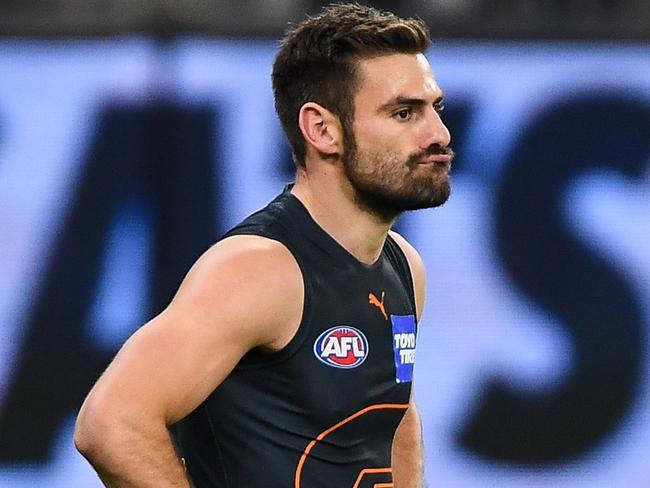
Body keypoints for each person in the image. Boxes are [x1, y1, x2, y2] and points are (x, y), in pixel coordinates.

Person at [74, 3, 453, 487]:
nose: (438, 135)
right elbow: (110, 423)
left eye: (434, 108)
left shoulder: (403, 266)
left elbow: (394, 420)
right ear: (322, 130)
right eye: (404, 113)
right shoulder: (259, 269)